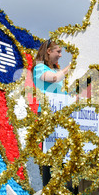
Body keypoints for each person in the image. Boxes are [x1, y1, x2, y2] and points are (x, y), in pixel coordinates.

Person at [32, 39, 70, 187]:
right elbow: (54, 79)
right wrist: (71, 67)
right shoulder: (39, 68)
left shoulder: (56, 70)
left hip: (62, 114)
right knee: (50, 153)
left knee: (64, 155)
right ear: (48, 51)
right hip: (48, 114)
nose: (60, 55)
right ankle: (49, 189)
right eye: (58, 51)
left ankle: (64, 189)